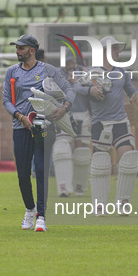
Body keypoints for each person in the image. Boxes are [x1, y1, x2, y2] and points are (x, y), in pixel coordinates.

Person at [2, 34, 75, 232]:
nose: (17, 51)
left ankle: (41, 216)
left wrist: (64, 108)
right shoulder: (11, 72)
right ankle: (30, 209)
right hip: (20, 127)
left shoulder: (48, 70)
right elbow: (6, 101)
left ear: (31, 51)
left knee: (41, 171)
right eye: (16, 48)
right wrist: (20, 117)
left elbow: (69, 89)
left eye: (21, 48)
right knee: (23, 174)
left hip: (44, 127)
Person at [83, 36, 138, 217]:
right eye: (114, 49)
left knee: (128, 159)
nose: (118, 52)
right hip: (100, 123)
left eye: (118, 49)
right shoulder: (91, 72)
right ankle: (99, 206)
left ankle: (123, 202)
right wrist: (90, 90)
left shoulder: (122, 72)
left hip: (121, 122)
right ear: (104, 52)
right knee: (100, 164)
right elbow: (78, 89)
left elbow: (133, 93)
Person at [52, 55, 92, 197]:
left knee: (82, 151)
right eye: (68, 63)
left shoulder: (85, 72)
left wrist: (78, 83)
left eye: (73, 62)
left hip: (82, 113)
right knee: (62, 149)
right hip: (64, 115)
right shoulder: (56, 74)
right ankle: (64, 188)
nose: (71, 66)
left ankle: (80, 187)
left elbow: (92, 89)